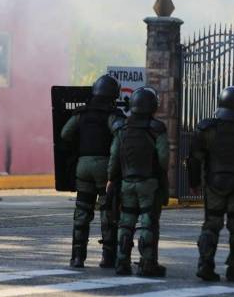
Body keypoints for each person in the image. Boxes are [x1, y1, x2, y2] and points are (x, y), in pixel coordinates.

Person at [189, 86, 234, 282]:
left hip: (214, 183)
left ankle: (205, 264)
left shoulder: (207, 128)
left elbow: (194, 158)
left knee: (211, 225)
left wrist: (194, 182)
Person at [61, 74, 125, 269]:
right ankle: (108, 257)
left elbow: (65, 134)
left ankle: (77, 257)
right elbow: (121, 136)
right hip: (104, 167)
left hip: (83, 167)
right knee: (107, 212)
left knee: (82, 211)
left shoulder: (81, 114)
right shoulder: (112, 114)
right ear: (113, 94)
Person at [107, 87, 169, 277]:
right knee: (148, 222)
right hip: (148, 182)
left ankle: (121, 262)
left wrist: (111, 178)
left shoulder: (122, 129)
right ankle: (147, 263)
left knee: (126, 222)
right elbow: (164, 158)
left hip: (127, 182)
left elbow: (114, 157)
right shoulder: (156, 129)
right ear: (152, 106)